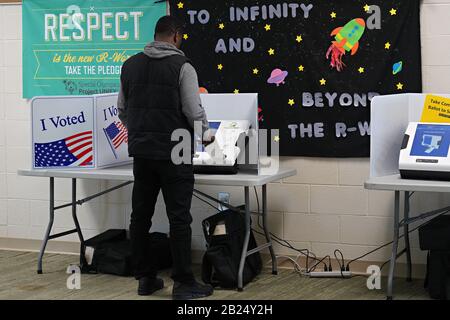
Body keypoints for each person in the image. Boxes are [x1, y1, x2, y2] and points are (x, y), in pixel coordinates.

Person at [118, 15, 213, 300]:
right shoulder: (183, 67)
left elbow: (122, 110)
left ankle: (145, 279)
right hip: (177, 149)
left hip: (142, 152)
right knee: (179, 218)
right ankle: (183, 283)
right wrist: (206, 135)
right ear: (175, 36)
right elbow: (192, 110)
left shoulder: (130, 65)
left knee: (140, 216)